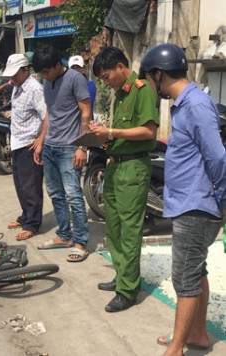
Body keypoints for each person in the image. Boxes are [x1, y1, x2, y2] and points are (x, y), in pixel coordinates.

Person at [140, 43, 226, 355]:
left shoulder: (196, 105)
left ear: (158, 74)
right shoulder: (185, 103)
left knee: (185, 277)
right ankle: (198, 335)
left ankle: (176, 348)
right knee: (196, 270)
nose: (150, 85)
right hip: (190, 203)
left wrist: (223, 200)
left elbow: (218, 157)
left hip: (197, 206)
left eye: (150, 78)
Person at [89, 47, 159, 312]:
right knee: (114, 226)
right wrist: (103, 135)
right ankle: (122, 277)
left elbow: (147, 131)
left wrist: (110, 130)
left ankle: (128, 290)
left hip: (133, 168)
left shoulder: (142, 91)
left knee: (130, 230)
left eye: (106, 76)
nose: (105, 81)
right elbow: (120, 133)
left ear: (120, 66)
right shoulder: (119, 95)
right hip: (115, 166)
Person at [31, 45, 91, 262]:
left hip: (69, 148)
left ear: (58, 65)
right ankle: (64, 235)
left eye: (47, 71)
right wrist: (41, 140)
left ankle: (80, 241)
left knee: (74, 195)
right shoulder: (47, 81)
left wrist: (82, 146)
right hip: (50, 147)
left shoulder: (76, 79)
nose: (44, 76)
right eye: (41, 73)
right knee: (55, 194)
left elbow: (86, 112)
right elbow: (49, 113)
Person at [2, 53, 45, 241]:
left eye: (15, 74)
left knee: (31, 186)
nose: (12, 78)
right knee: (20, 184)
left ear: (26, 70)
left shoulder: (35, 89)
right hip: (16, 141)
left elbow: (47, 116)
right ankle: (25, 215)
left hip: (29, 143)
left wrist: (40, 141)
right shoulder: (17, 87)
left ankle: (32, 223)